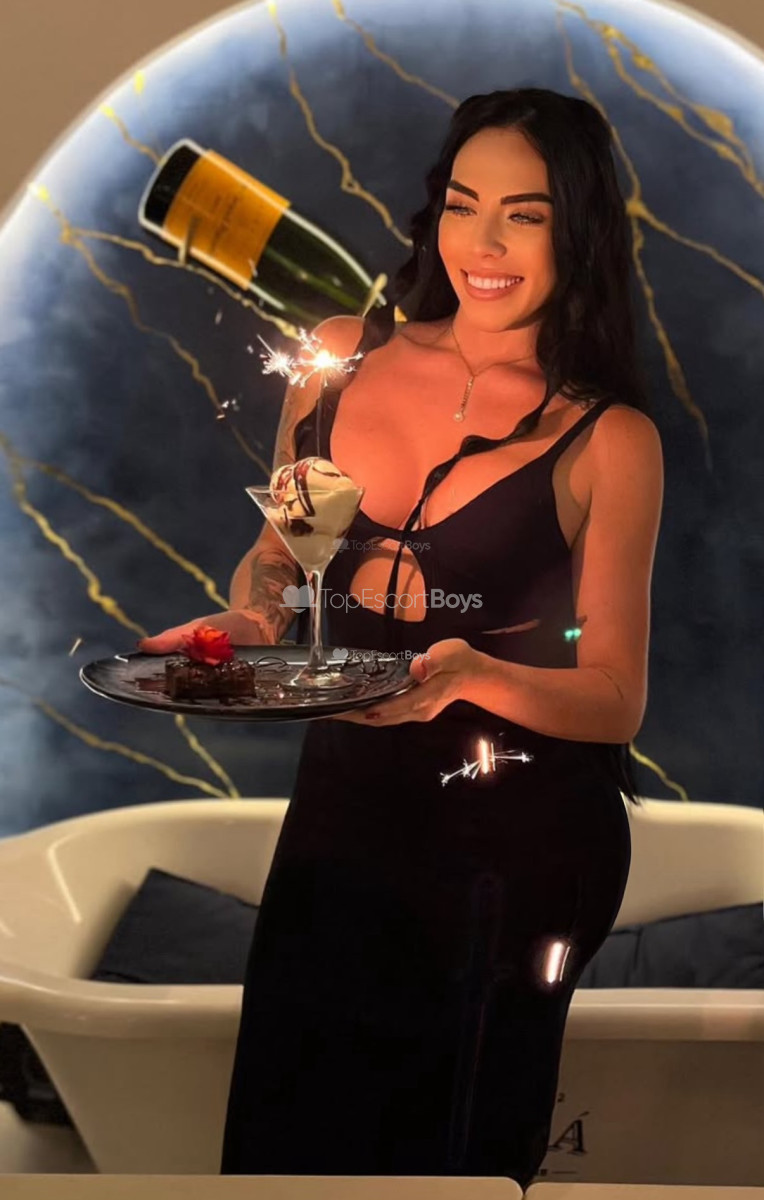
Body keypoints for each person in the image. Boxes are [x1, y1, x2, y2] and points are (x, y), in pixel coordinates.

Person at [139, 88, 663, 1190]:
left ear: (576, 230)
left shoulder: (607, 439)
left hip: (516, 844)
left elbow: (615, 695)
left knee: (447, 1166)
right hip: (343, 810)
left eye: (523, 215)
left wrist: (470, 677)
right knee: (285, 1144)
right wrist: (246, 624)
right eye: (463, 205)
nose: (483, 244)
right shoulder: (338, 359)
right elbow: (282, 558)